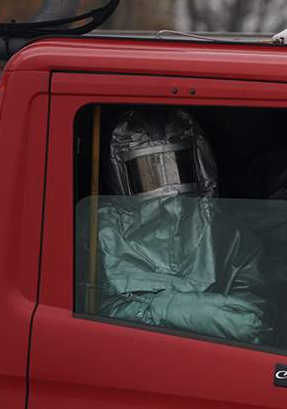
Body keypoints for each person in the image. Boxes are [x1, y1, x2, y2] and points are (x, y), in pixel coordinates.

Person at [82, 107, 269, 344]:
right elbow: (87, 311)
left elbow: (253, 307)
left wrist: (237, 318)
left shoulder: (224, 230)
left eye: (177, 164)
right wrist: (174, 310)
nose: (168, 185)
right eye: (147, 171)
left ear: (199, 164)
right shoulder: (100, 231)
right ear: (121, 174)